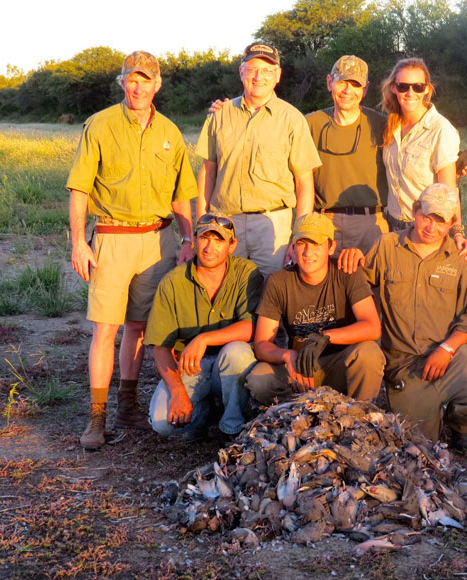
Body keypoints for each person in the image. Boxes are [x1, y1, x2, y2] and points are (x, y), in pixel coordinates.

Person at [67, 50, 198, 450]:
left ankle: (127, 405)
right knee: (105, 329)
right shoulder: (100, 125)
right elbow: (79, 189)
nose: (138, 86)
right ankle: (97, 415)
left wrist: (189, 239)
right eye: (131, 78)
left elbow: (181, 197)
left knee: (140, 327)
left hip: (157, 240)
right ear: (122, 82)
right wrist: (77, 243)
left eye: (146, 79)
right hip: (112, 236)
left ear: (158, 84)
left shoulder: (171, 132)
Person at [339, 183, 467, 449]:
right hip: (405, 362)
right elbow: (358, 288)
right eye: (426, 217)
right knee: (417, 443)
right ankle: (428, 410)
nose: (431, 227)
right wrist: (353, 258)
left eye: (440, 221)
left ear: (452, 224)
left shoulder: (461, 256)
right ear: (415, 211)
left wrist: (446, 349)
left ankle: (460, 425)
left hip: (451, 354)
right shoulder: (387, 246)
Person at [195, 42, 322, 277]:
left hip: (273, 226)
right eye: (252, 69)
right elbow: (207, 172)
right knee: (226, 294)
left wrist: (298, 236)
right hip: (225, 224)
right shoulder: (219, 115)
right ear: (241, 72)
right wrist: (201, 225)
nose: (258, 76)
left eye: (267, 70)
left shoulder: (292, 119)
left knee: (270, 298)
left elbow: (304, 183)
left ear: (278, 76)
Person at [145, 213, 262, 440]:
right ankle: (206, 414)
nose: (210, 247)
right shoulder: (173, 281)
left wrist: (203, 339)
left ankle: (232, 429)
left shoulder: (247, 273)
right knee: (161, 422)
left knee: (237, 352)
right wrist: (178, 391)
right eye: (204, 238)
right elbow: (160, 347)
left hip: (230, 364)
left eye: (219, 240)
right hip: (191, 366)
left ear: (232, 245)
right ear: (195, 239)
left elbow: (250, 327)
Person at [246, 213, 384, 405]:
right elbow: (261, 344)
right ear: (292, 248)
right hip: (299, 368)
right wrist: (287, 355)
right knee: (259, 378)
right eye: (302, 244)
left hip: (338, 363)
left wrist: (325, 336)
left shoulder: (347, 273)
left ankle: (359, 416)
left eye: (316, 244)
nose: (308, 253)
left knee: (369, 353)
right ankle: (293, 412)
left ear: (331, 247)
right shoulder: (279, 281)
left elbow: (372, 327)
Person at [380, 58, 467, 260]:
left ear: (427, 89)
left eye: (418, 86)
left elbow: (449, 191)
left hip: (423, 229)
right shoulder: (390, 126)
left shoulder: (440, 130)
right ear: (393, 88)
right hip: (392, 226)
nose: (410, 93)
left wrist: (457, 232)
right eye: (403, 86)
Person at [304, 55, 388, 254]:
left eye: (355, 84)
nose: (348, 91)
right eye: (342, 82)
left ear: (365, 89)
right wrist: (227, 109)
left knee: (371, 283)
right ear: (329, 83)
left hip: (371, 224)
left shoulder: (382, 124)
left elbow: (415, 148)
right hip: (323, 224)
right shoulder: (309, 124)